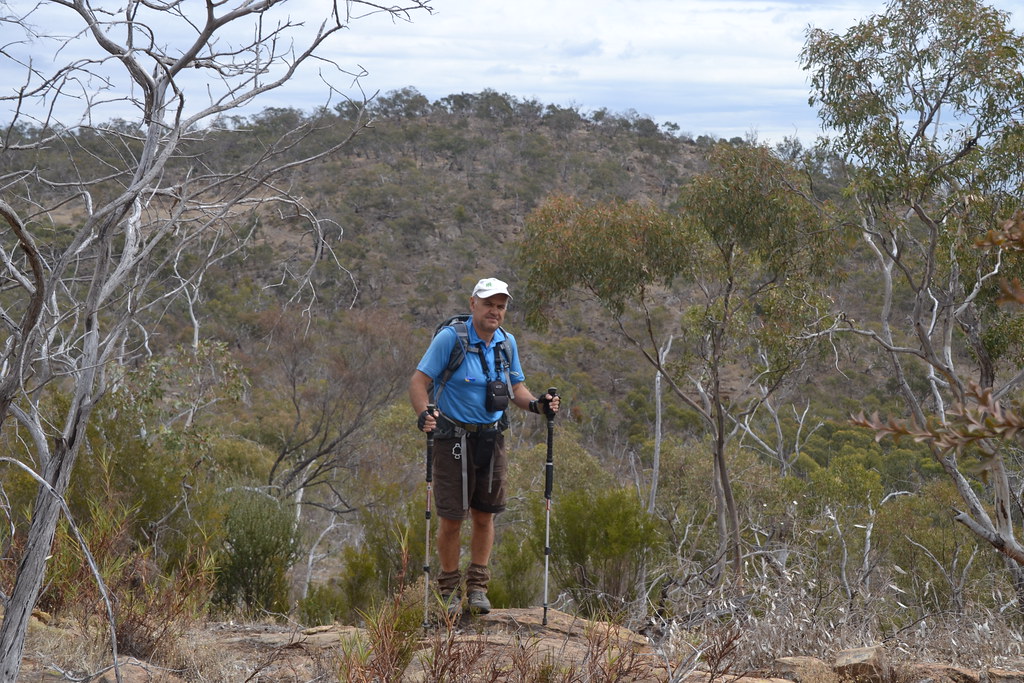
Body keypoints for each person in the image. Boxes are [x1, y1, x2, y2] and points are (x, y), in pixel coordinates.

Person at [409, 277, 559, 616]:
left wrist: (537, 405)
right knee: (451, 518)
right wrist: (424, 414)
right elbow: (419, 381)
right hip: (453, 439)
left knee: (485, 515)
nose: (495, 311)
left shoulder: (507, 344)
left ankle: (477, 588)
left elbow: (516, 388)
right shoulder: (451, 339)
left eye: (501, 306)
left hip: (492, 438)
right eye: (489, 303)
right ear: (473, 303)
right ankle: (448, 590)